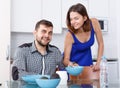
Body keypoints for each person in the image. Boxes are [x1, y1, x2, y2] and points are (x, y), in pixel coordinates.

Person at [63, 3, 104, 71]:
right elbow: (65, 60)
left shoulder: (94, 23)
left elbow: (101, 44)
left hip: (87, 63)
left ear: (84, 18)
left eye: (76, 18)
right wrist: (71, 64)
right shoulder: (70, 35)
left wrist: (98, 63)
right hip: (73, 68)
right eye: (71, 19)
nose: (73, 22)